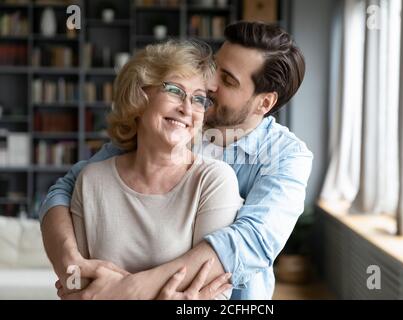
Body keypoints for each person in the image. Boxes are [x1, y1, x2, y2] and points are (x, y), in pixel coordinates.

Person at [40, 21, 313, 300]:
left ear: (264, 103)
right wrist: (72, 265)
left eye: (228, 80)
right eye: (216, 67)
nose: (211, 84)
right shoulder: (175, 123)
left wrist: (125, 291)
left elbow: (248, 244)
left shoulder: (286, 156)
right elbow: (68, 189)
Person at [63, 39, 243, 300]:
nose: (186, 108)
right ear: (140, 94)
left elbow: (214, 296)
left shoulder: (213, 180)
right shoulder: (92, 180)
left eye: (199, 99)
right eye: (174, 90)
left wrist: (120, 293)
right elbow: (80, 290)